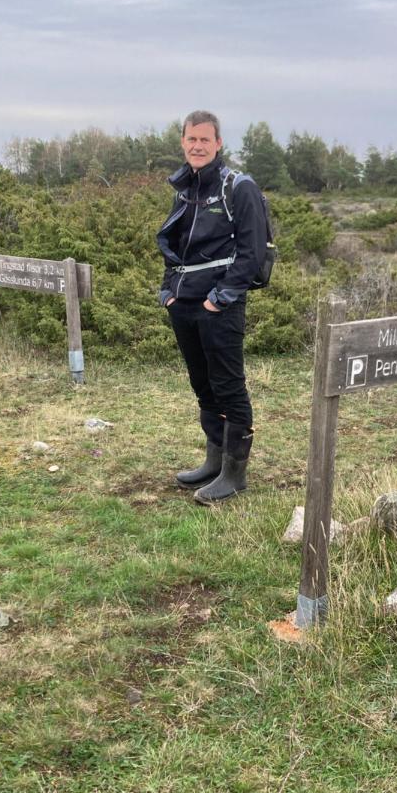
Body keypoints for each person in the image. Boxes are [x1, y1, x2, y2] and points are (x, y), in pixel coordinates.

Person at [156, 110, 268, 504]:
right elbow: (175, 246)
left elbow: (253, 254)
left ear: (219, 143)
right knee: (203, 386)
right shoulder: (185, 187)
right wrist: (168, 291)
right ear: (183, 142)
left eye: (205, 140)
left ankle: (234, 474)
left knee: (228, 386)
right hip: (183, 304)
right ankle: (213, 461)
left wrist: (218, 299)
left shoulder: (239, 187)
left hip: (219, 306)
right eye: (191, 139)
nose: (198, 146)